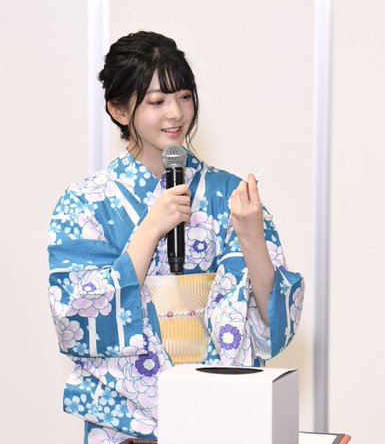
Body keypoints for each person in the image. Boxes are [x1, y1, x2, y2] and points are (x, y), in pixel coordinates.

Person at [47, 31, 304, 444]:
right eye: (156, 101)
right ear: (118, 109)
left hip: (221, 417)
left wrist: (252, 238)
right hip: (128, 425)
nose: (175, 112)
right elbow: (76, 316)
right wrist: (151, 227)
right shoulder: (85, 204)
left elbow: (274, 327)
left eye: (184, 96)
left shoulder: (227, 194)